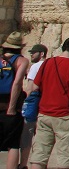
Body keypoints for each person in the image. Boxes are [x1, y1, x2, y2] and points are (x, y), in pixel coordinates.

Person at [30, 36, 69, 169]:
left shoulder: (47, 63)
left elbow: (34, 87)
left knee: (39, 154)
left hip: (44, 113)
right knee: (65, 156)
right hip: (64, 115)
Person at [0, 32, 29, 169]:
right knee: (13, 144)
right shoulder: (21, 61)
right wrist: (11, 108)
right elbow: (17, 83)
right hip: (11, 105)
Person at [19, 44, 48, 169]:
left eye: (34, 52)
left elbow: (30, 87)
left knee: (27, 135)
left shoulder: (36, 66)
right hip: (45, 103)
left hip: (33, 102)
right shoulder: (49, 65)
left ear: (41, 54)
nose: (31, 54)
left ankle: (23, 164)